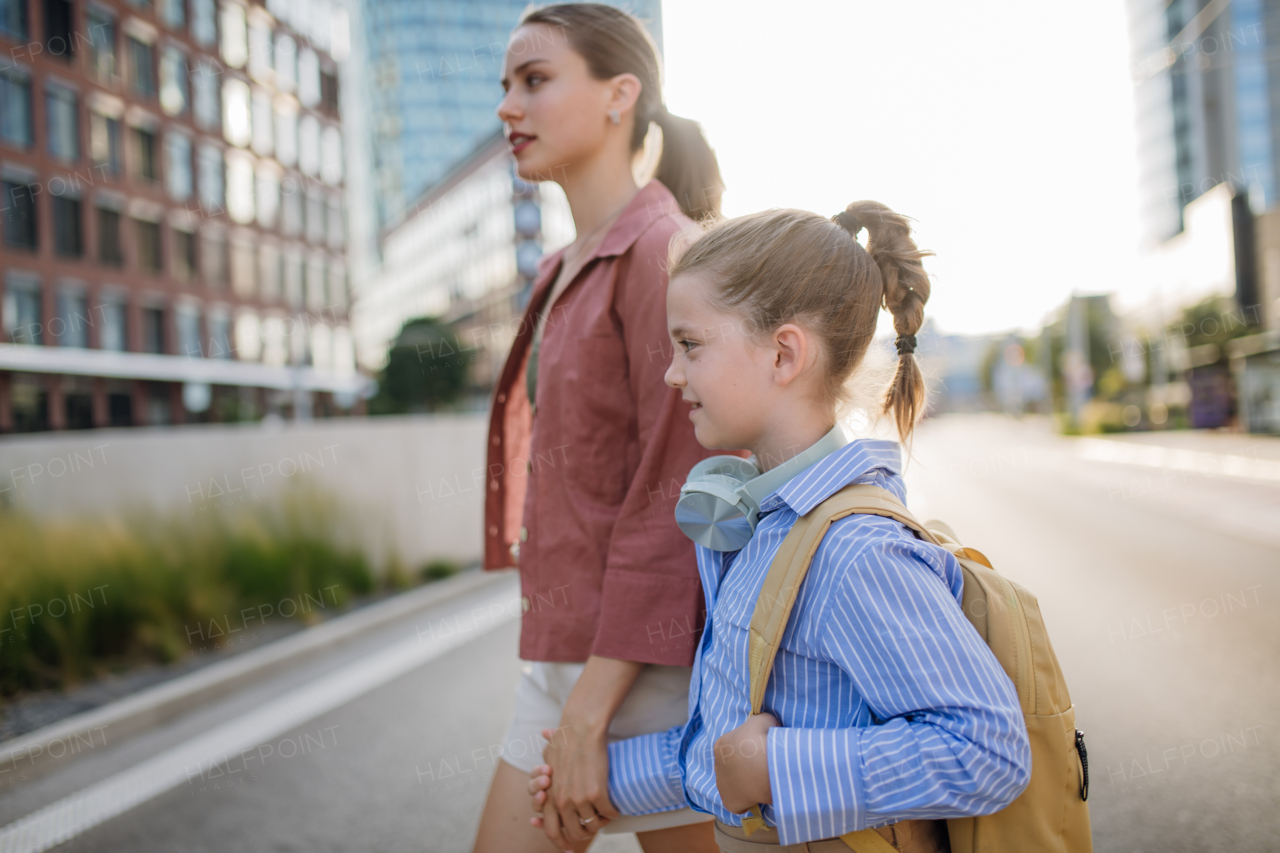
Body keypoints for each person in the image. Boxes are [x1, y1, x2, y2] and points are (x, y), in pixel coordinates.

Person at [528, 202, 1032, 850]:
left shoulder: (853, 552)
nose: (670, 373)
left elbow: (987, 749)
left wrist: (772, 766)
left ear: (783, 353)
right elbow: (725, 754)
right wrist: (599, 781)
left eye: (689, 345)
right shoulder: (765, 533)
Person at [474, 5, 733, 853]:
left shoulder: (664, 254)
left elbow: (681, 496)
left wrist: (593, 704)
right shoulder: (559, 267)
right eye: (506, 85)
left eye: (535, 81)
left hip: (641, 669)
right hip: (566, 656)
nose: (508, 107)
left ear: (622, 94)